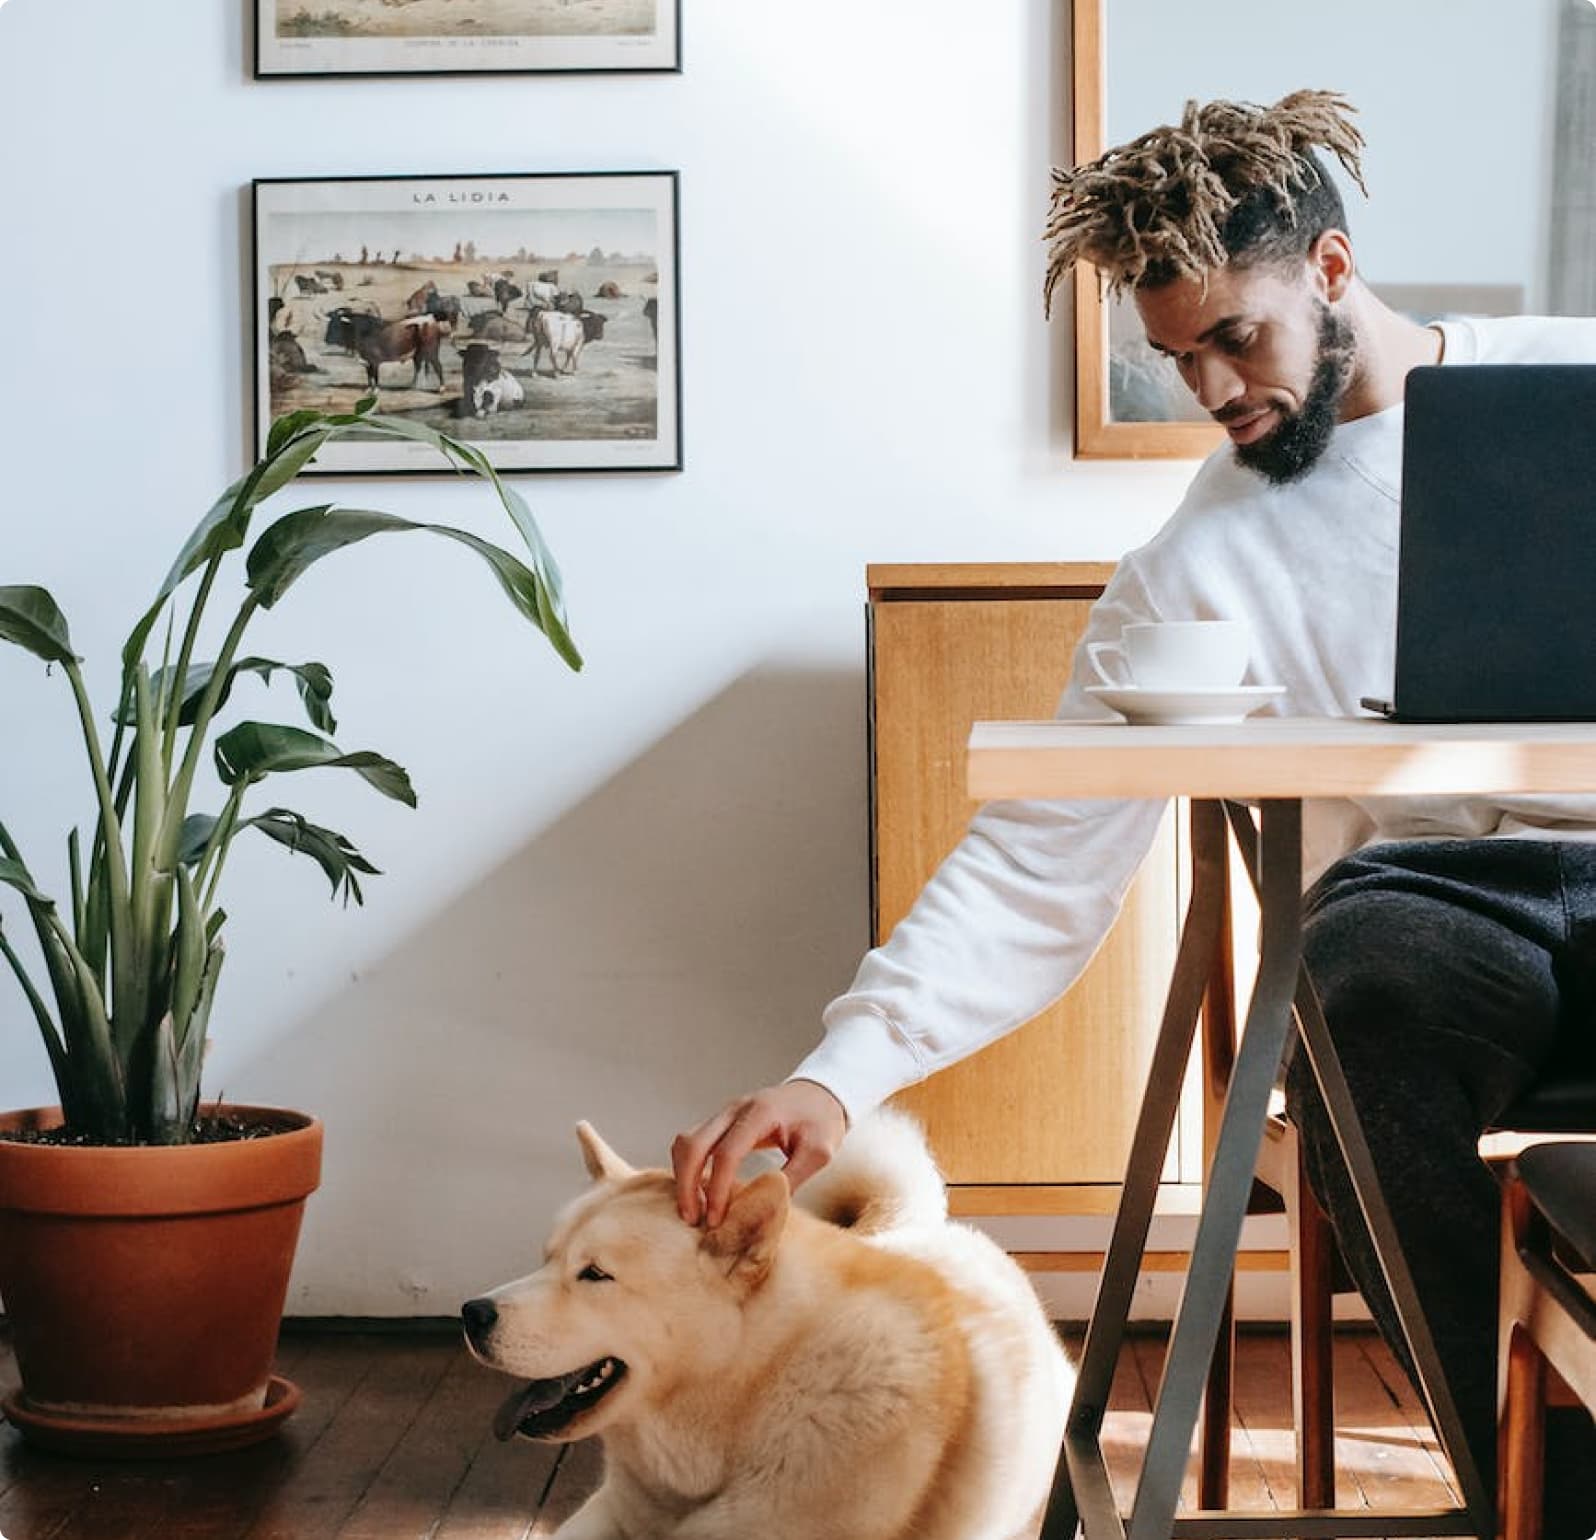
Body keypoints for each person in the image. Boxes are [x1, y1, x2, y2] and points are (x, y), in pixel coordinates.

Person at [672, 90, 1596, 1532]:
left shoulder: (1575, 381)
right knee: (1356, 1021)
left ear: (1333, 271)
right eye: (1178, 360)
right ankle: (1557, 1498)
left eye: (1239, 338)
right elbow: (1036, 869)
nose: (1215, 392)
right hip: (1436, 908)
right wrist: (835, 1076)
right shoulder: (1194, 571)